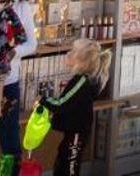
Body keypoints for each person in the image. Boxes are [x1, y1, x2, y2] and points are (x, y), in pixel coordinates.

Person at [41, 38, 109, 176]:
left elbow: (62, 103)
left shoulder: (81, 81)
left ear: (81, 61)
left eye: (72, 52)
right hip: (74, 131)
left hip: (77, 132)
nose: (69, 53)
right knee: (63, 161)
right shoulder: (81, 79)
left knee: (69, 166)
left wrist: (44, 100)